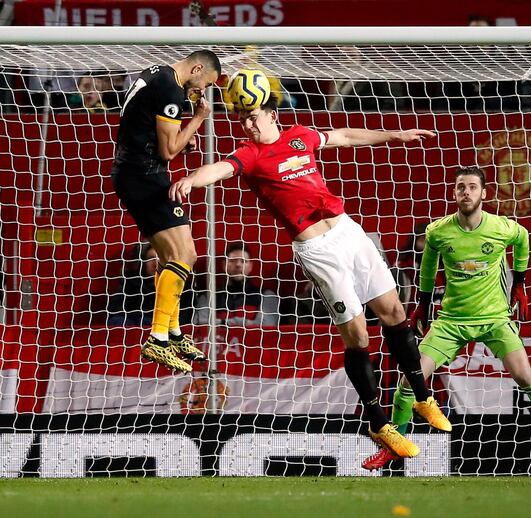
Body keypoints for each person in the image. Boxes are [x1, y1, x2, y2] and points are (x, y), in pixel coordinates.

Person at [169, 91, 449, 459]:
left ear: (272, 115)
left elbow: (345, 136)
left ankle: (423, 397)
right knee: (358, 333)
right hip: (317, 251)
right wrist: (192, 179)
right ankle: (379, 422)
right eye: (243, 120)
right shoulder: (250, 155)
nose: (249, 124)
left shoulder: (300, 135)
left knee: (395, 313)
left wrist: (393, 136)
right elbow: (221, 168)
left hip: (348, 232)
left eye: (254, 117)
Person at [361, 166, 531, 472]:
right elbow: (428, 270)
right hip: (451, 321)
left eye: (471, 187)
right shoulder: (438, 232)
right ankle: (394, 445)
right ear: (454, 193)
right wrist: (422, 305)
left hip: (494, 318)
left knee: (526, 377)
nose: (465, 192)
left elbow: (522, 239)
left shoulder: (502, 227)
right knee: (408, 381)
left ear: (484, 193)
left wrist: (519, 283)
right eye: (460, 188)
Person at [111, 50, 220, 373]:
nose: (202, 90)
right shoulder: (173, 90)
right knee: (184, 256)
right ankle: (157, 338)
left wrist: (180, 137)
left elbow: (150, 127)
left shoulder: (156, 71)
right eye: (205, 83)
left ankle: (172, 333)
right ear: (197, 68)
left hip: (136, 171)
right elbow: (169, 151)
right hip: (144, 176)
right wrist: (199, 118)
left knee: (173, 256)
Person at [107, 243, 197, 327]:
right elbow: (115, 315)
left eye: (160, 258)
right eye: (151, 258)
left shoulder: (182, 287)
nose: (155, 263)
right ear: (142, 263)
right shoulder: (130, 284)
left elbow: (184, 319)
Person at [196, 241, 281, 327]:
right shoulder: (208, 297)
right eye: (232, 261)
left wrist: (222, 322)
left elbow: (266, 326)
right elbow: (201, 324)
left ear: (250, 266)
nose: (238, 265)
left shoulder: (266, 295)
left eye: (243, 261)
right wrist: (242, 322)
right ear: (224, 265)